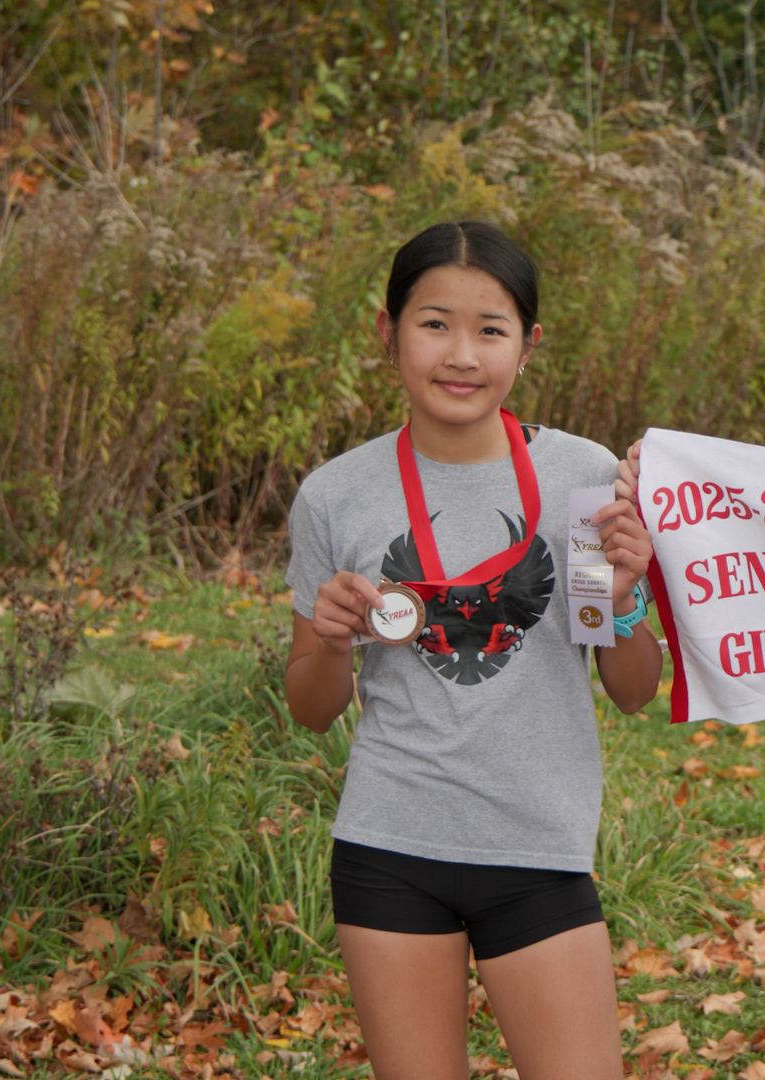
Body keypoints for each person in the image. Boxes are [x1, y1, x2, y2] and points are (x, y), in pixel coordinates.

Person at [282, 221, 661, 1080]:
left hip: (540, 850)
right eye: (433, 323)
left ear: (527, 346)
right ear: (388, 334)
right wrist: (335, 641)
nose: (461, 354)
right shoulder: (335, 494)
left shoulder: (585, 478)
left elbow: (632, 690)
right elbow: (309, 708)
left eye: (490, 329)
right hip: (390, 849)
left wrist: (628, 597)